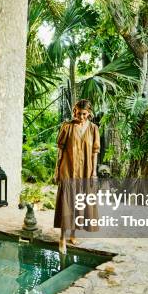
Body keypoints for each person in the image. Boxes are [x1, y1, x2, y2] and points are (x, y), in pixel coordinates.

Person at [53, 99, 100, 254]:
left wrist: (94, 172)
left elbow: (95, 152)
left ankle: (73, 234)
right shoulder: (67, 127)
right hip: (68, 169)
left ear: (89, 113)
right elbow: (60, 150)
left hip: (86, 171)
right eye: (78, 113)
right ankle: (62, 237)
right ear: (74, 111)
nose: (81, 116)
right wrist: (56, 170)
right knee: (67, 202)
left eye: (84, 114)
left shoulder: (93, 129)